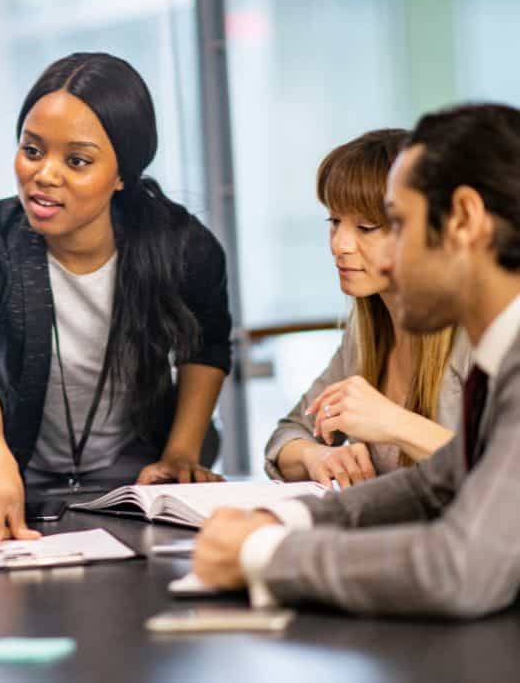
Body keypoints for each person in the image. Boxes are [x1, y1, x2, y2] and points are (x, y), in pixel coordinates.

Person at [193, 102, 520, 617]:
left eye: (394, 225)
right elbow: (433, 482)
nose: (385, 260)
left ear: (464, 220)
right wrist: (281, 524)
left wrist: (262, 555)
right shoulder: (499, 354)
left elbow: (461, 569)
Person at [0, 52, 232, 543]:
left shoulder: (183, 245)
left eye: (77, 161)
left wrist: (181, 453)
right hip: (20, 477)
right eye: (32, 151)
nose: (45, 175)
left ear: (122, 174)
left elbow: (208, 345)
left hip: (140, 478)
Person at [266, 129, 471, 487]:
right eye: (334, 222)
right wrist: (318, 456)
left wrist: (395, 423)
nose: (339, 244)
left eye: (366, 226)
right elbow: (288, 437)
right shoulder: (364, 335)